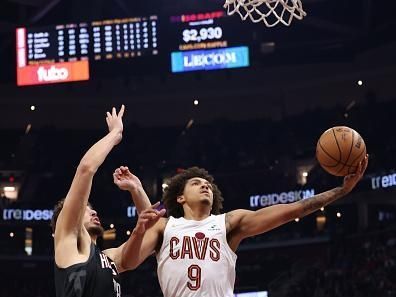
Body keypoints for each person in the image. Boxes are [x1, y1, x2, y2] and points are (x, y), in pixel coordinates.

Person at [120, 156, 368, 297]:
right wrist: (136, 189)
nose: (205, 185)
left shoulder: (228, 223)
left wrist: (341, 190)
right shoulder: (165, 227)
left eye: (207, 184)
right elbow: (130, 258)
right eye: (196, 183)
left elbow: (293, 209)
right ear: (180, 197)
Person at [51, 105, 154, 297]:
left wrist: (137, 189)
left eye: (92, 209)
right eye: (86, 210)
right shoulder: (68, 240)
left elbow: (153, 236)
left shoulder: (109, 258)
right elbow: (86, 169)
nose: (93, 212)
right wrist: (115, 134)